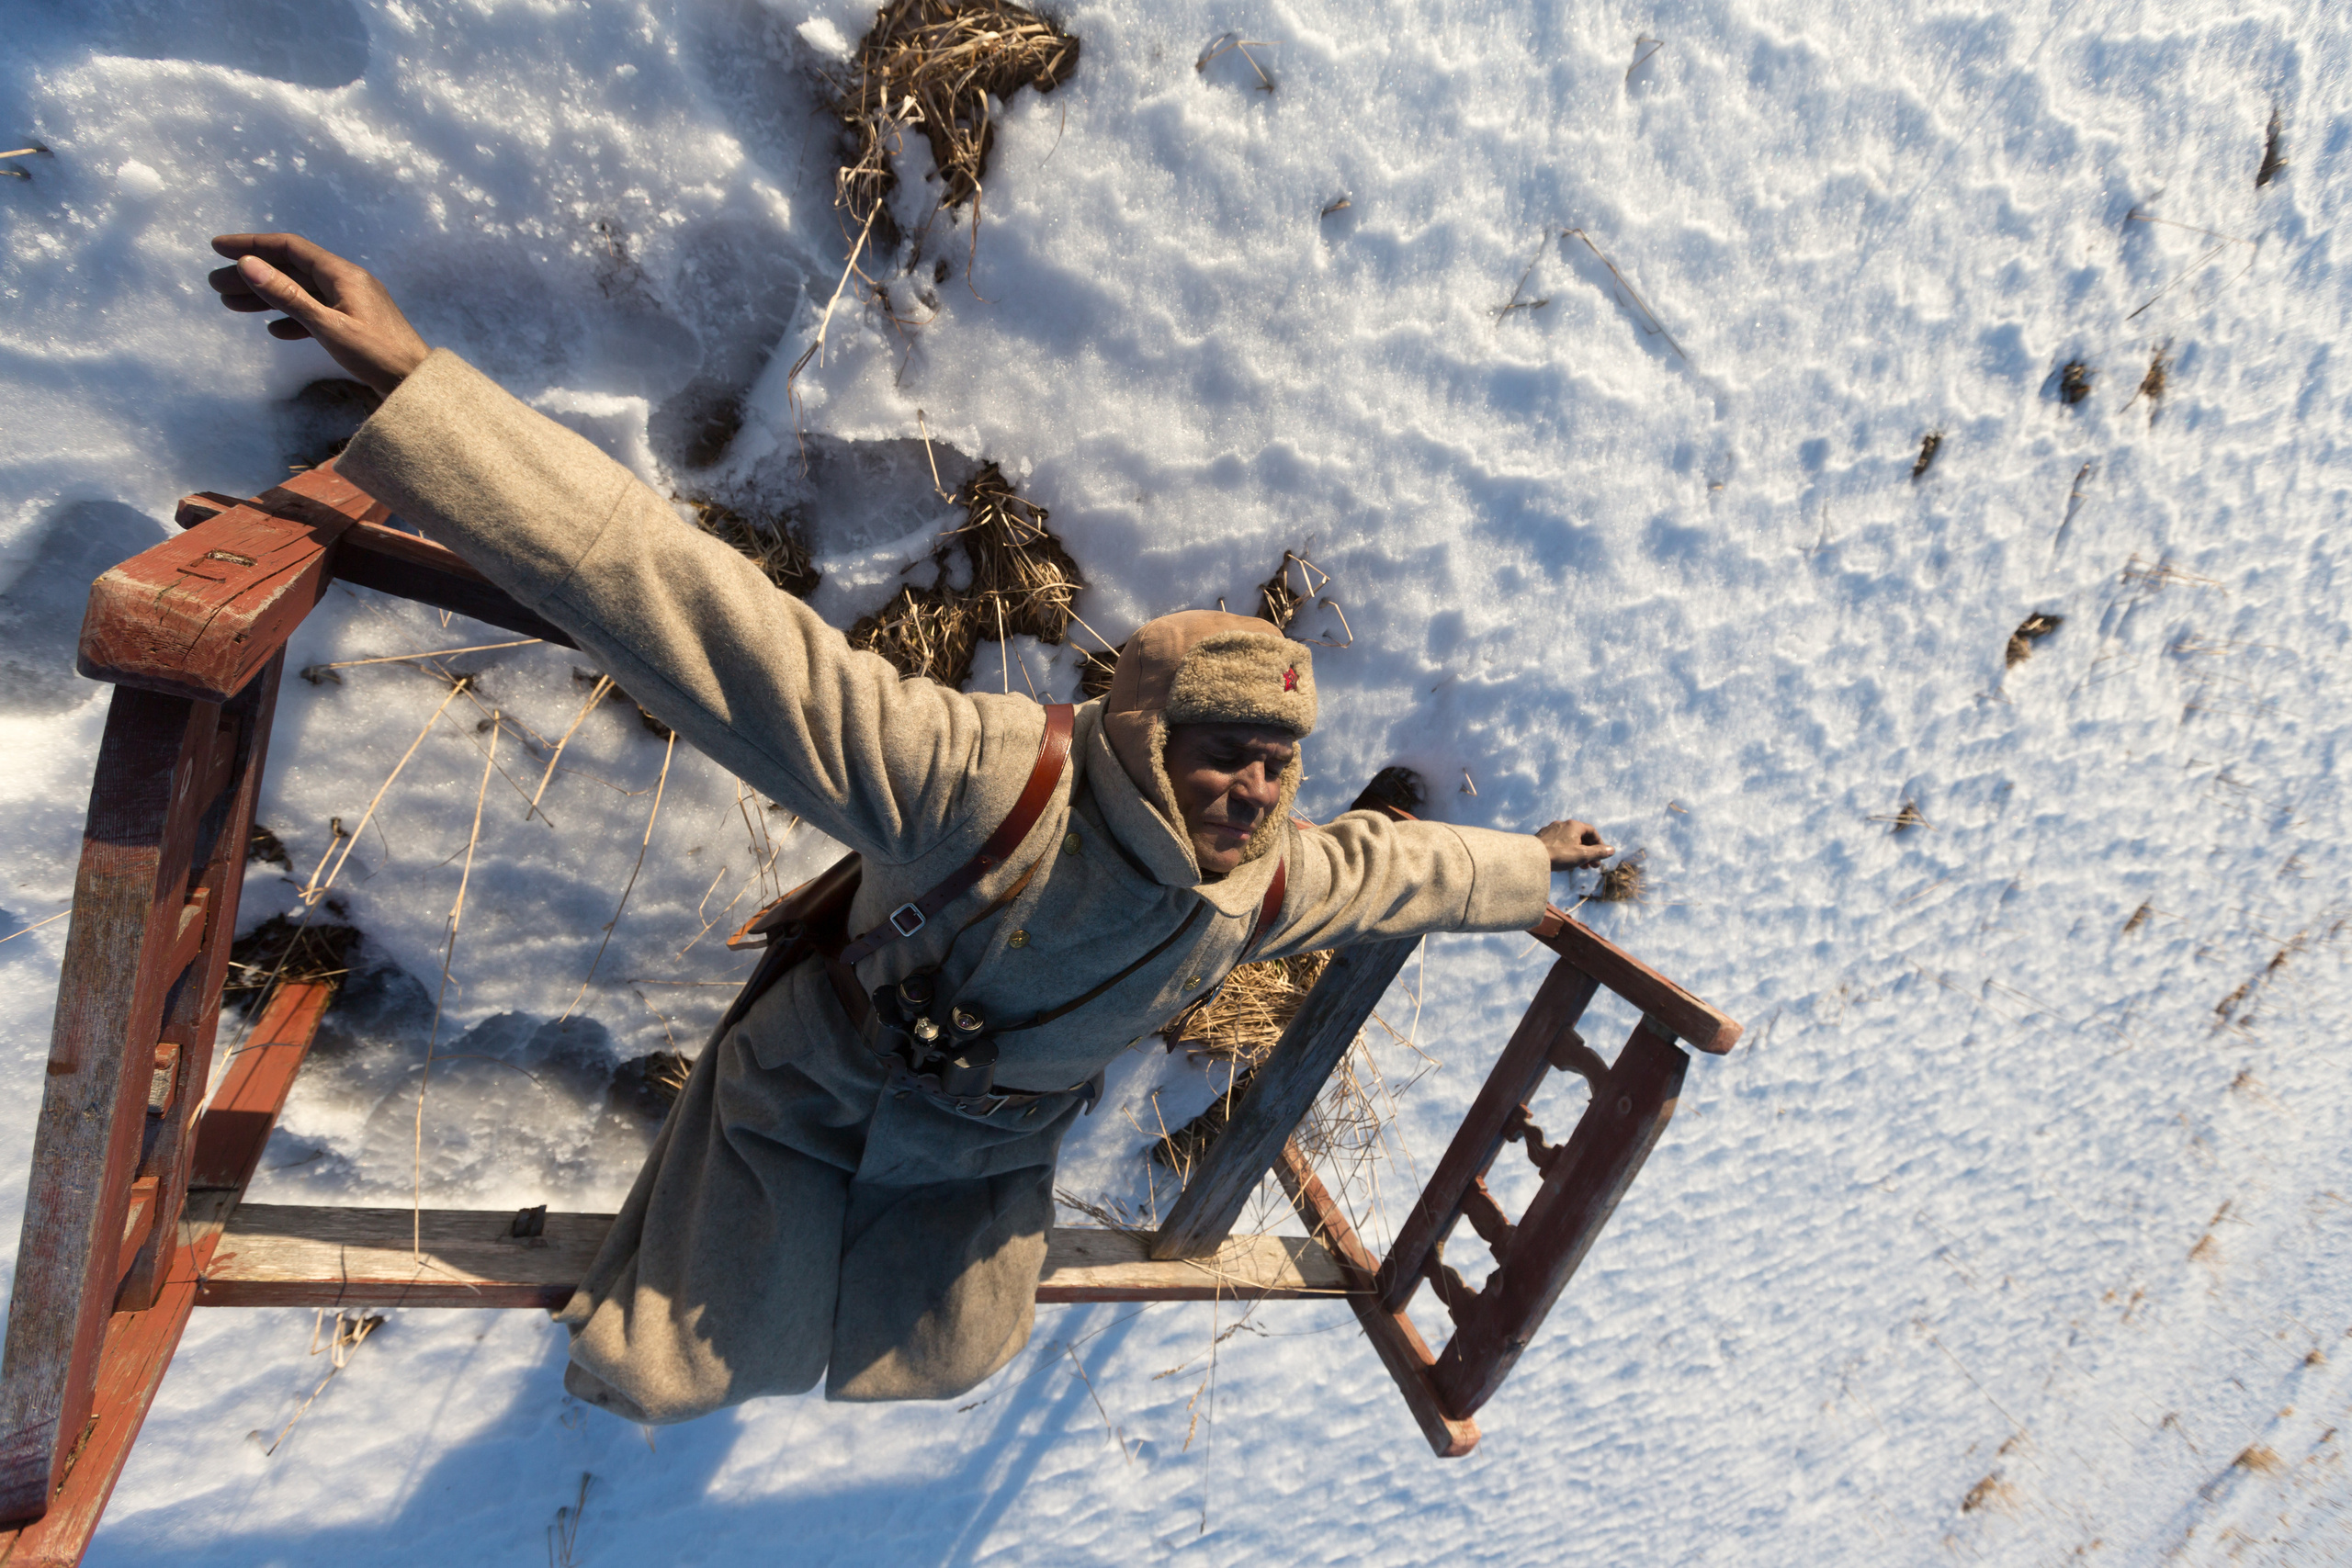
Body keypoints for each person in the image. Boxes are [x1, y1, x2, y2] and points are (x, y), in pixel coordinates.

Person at [206, 232, 1616, 1420]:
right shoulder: (975, 783)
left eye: (1276, 768)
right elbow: (683, 601)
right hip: (818, 1096)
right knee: (670, 1372)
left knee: (948, 1359)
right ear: (1145, 733)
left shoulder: (1261, 884)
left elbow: (1389, 871)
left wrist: (1530, 866)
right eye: (1224, 753)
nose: (1251, 793)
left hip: (994, 1152)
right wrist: (422, 390)